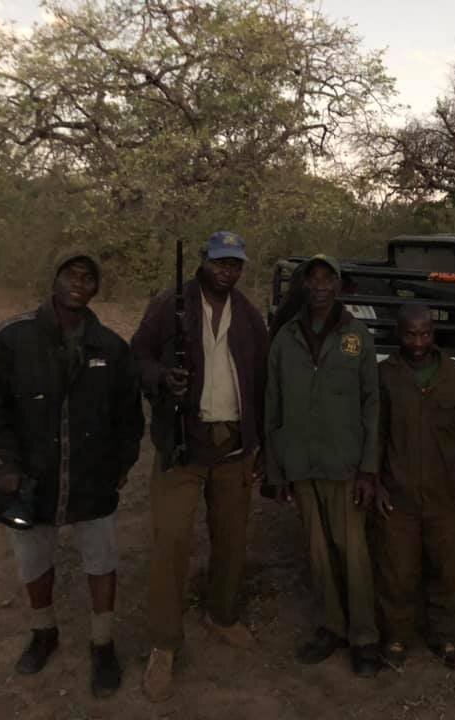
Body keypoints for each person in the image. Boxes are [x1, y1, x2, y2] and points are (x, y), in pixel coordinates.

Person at [0, 250, 144, 698]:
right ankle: (44, 632)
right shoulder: (10, 340)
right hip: (28, 481)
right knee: (34, 561)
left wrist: (122, 465)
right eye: (71, 275)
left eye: (88, 278)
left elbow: (129, 416)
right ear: (55, 280)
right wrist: (4, 468)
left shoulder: (111, 347)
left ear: (96, 289)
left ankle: (102, 644)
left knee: (101, 562)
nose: (79, 283)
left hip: (92, 480)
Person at [131, 231, 269, 701]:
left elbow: (263, 381)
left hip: (233, 446)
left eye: (235, 264)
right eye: (220, 262)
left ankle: (221, 614)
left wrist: (260, 444)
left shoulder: (249, 316)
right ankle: (164, 644)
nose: (227, 271)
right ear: (204, 262)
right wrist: (160, 378)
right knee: (171, 543)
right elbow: (138, 356)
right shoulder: (170, 303)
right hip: (182, 446)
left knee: (232, 540)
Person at [265, 254, 382, 678]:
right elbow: (272, 407)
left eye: (327, 279)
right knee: (317, 553)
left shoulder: (357, 336)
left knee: (353, 553)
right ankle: (332, 627)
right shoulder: (285, 338)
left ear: (338, 285)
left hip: (345, 463)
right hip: (301, 464)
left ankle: (365, 637)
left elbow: (372, 405)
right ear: (303, 286)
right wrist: (276, 470)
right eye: (311, 279)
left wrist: (368, 468)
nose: (319, 287)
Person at [373, 305, 455, 671]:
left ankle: (444, 636)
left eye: (425, 334)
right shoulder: (385, 375)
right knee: (397, 572)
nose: (417, 342)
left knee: (448, 571)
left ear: (434, 333)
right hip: (399, 493)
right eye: (410, 334)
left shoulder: (452, 374)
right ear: (398, 333)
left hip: (446, 494)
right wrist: (374, 480)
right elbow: (375, 433)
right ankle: (398, 636)